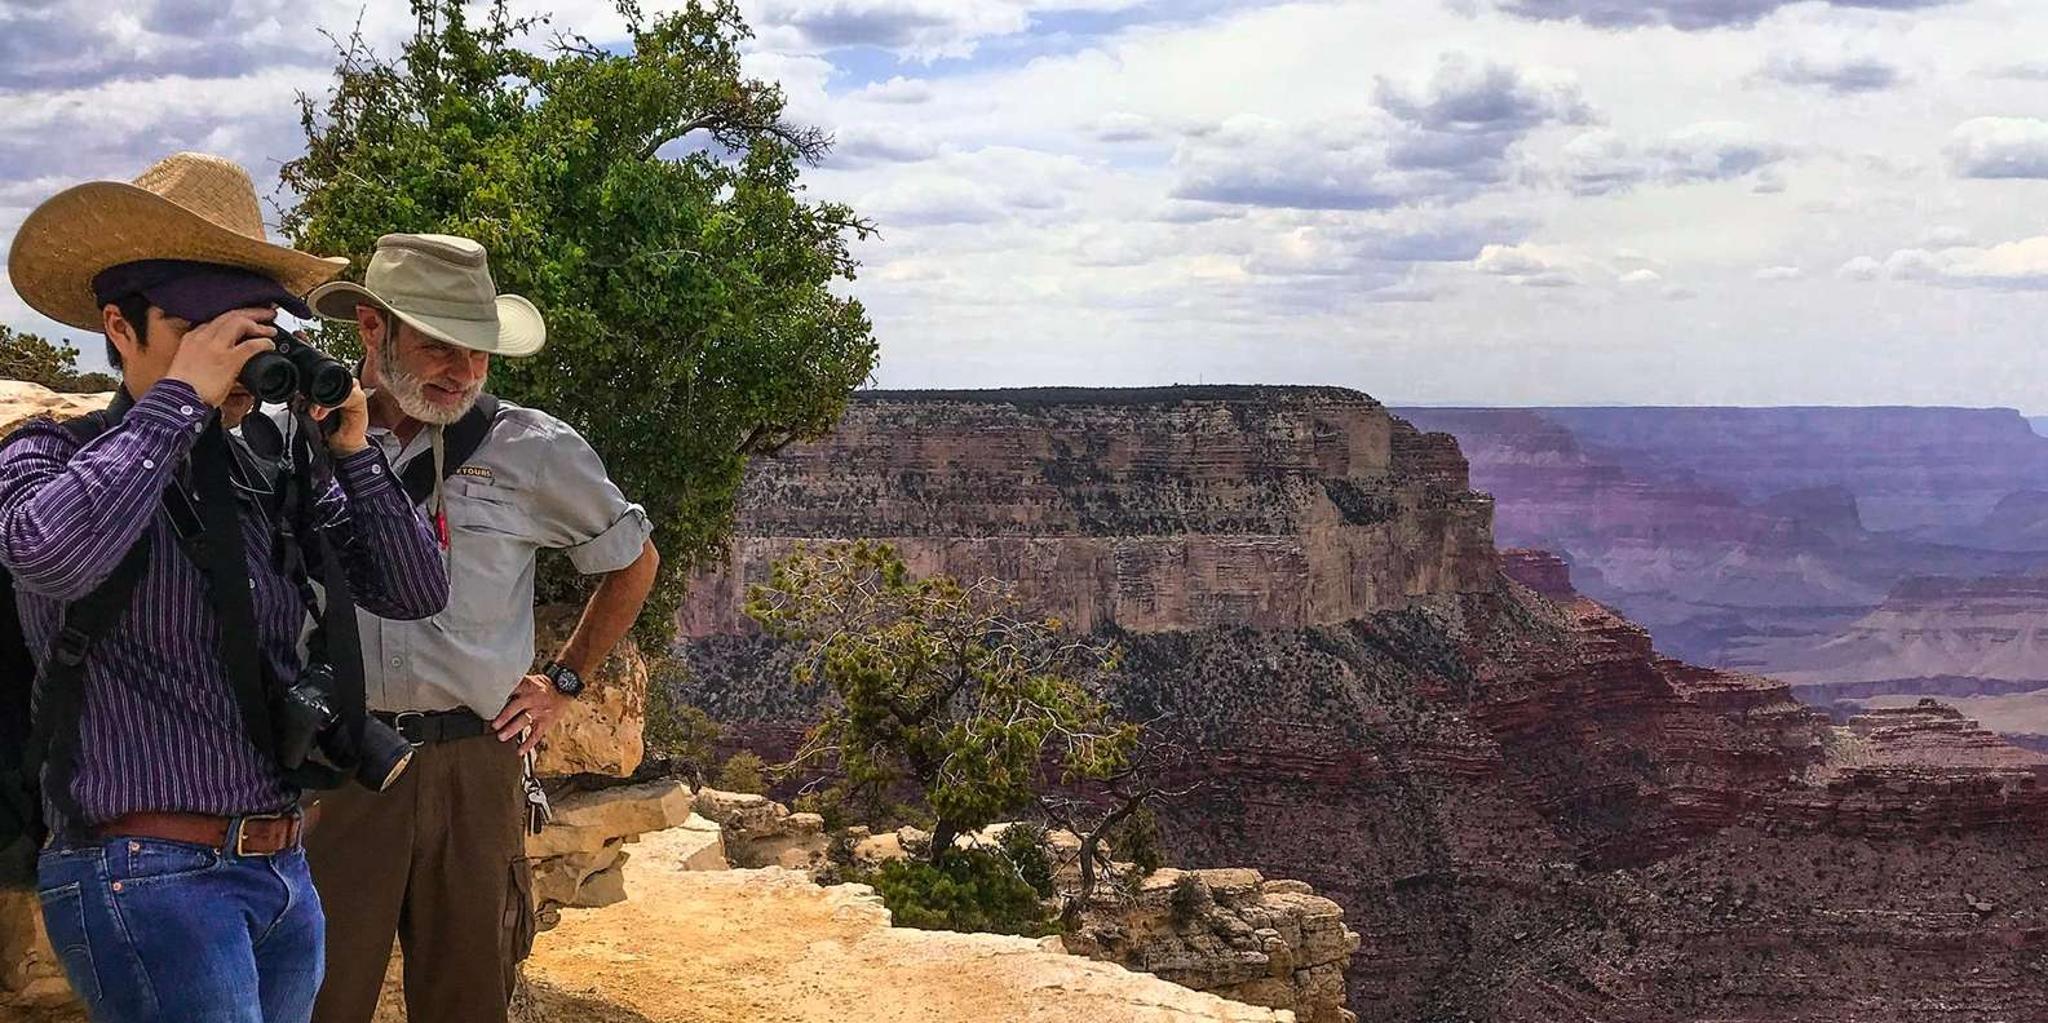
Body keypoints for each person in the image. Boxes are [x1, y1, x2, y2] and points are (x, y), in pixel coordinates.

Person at [0, 153, 450, 1022]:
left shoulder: (265, 468)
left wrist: (352, 452)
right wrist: (178, 401)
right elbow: (51, 555)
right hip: (142, 872)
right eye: (202, 332)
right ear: (121, 327)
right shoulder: (49, 453)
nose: (234, 360)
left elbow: (413, 589)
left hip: (280, 867)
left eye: (255, 334)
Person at [301, 233, 661, 1023]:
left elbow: (633, 561)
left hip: (473, 763)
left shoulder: (532, 448)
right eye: (439, 345)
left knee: (468, 999)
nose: (462, 371)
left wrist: (563, 681)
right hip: (337, 762)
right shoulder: (299, 438)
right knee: (316, 998)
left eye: (479, 351)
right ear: (372, 327)